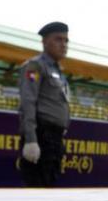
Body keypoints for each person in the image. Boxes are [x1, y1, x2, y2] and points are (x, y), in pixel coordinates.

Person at [17, 22, 70, 187]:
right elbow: (28, 101)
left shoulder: (58, 70)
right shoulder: (35, 66)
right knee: (38, 190)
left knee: (48, 188)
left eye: (66, 41)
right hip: (41, 136)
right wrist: (31, 140)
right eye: (58, 39)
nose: (64, 44)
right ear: (45, 42)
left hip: (54, 138)